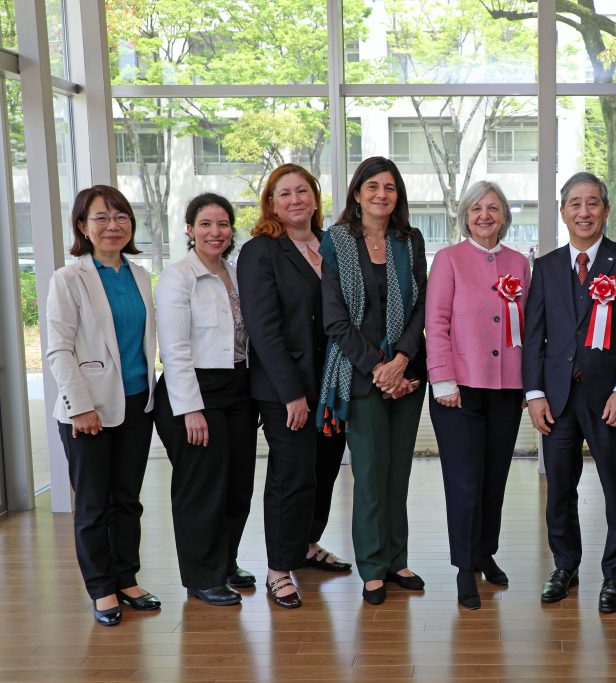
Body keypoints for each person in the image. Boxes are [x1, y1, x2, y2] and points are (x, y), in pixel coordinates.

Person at [523, 172, 616, 614]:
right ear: (563, 212)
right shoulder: (546, 266)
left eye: (592, 203)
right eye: (575, 204)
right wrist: (535, 393)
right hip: (556, 400)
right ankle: (565, 565)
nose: (584, 212)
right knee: (559, 488)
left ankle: (615, 575)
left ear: (605, 210)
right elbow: (534, 335)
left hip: (609, 399)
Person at [237, 164, 351, 610]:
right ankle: (278, 568)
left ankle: (307, 543)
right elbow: (263, 331)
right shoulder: (260, 252)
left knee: (325, 470)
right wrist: (291, 394)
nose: (295, 199)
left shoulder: (332, 246)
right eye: (284, 194)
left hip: (334, 383)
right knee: (291, 476)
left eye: (303, 191)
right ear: (271, 203)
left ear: (316, 198)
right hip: (288, 389)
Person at [46, 185, 160, 626]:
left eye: (121, 217)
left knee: (127, 500)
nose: (113, 226)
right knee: (93, 503)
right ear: (82, 226)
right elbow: (58, 349)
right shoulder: (69, 279)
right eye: (101, 218)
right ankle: (101, 588)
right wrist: (79, 406)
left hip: (136, 404)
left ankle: (126, 577)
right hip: (88, 410)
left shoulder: (141, 275)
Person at [318, 156, 427, 606]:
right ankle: (372, 565)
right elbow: (334, 319)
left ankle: (397, 558)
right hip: (360, 374)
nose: (382, 194)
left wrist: (401, 360)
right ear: (358, 192)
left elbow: (423, 304)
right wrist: (377, 368)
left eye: (390, 187)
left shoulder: (411, 239)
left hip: (406, 373)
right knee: (368, 472)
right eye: (373, 186)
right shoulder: (337, 241)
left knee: (398, 472)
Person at [425, 180, 530, 610]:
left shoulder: (521, 263)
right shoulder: (448, 260)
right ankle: (464, 567)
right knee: (465, 482)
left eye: (493, 208)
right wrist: (443, 380)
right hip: (459, 391)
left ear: (504, 216)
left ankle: (485, 551)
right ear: (465, 216)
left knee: (495, 479)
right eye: (476, 209)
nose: (484, 215)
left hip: (507, 387)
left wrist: (530, 383)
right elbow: (437, 322)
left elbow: (530, 326)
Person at [153, 194, 257, 606]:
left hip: (237, 388)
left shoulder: (234, 273)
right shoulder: (179, 277)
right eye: (206, 224)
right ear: (190, 229)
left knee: (237, 486)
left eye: (223, 224)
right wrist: (190, 409)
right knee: (202, 490)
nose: (215, 232)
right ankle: (202, 577)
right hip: (194, 390)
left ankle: (225, 563)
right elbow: (174, 349)